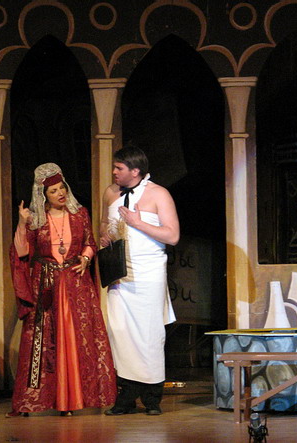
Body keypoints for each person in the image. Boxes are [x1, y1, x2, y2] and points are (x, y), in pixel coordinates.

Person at [7, 163, 116, 417]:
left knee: (78, 338)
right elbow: (21, 252)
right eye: (53, 191)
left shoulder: (80, 214)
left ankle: (74, 399)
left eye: (61, 188)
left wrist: (86, 258)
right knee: (46, 341)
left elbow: (90, 242)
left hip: (76, 284)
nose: (60, 193)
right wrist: (22, 223)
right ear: (44, 195)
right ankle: (40, 399)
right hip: (46, 285)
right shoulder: (36, 220)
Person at [100, 145, 179, 416]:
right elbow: (104, 224)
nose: (114, 172)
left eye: (119, 168)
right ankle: (125, 396)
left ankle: (152, 397)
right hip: (119, 273)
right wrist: (105, 235)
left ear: (135, 171)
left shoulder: (159, 194)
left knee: (148, 335)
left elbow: (172, 236)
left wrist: (137, 223)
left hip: (148, 274)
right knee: (119, 332)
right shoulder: (110, 193)